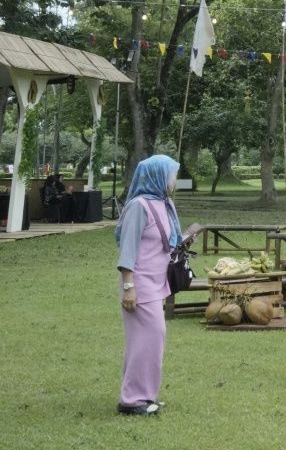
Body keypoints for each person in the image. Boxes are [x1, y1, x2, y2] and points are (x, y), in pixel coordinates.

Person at [115, 154, 185, 416]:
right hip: (139, 284)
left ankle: (144, 395)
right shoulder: (139, 207)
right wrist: (128, 287)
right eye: (171, 174)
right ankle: (132, 400)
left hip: (157, 282)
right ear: (156, 176)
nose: (174, 180)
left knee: (151, 340)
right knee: (148, 338)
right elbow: (128, 250)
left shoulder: (164, 203)